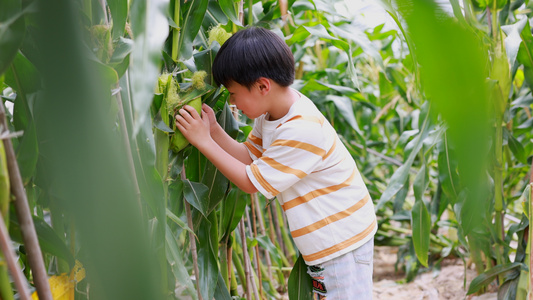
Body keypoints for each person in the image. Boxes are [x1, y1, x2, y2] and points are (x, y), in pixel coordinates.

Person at [175, 26, 377, 300]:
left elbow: (250, 181)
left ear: (262, 85)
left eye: (233, 94)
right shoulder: (271, 114)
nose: (232, 102)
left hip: (341, 242)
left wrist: (204, 142)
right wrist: (213, 130)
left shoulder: (301, 128)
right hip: (328, 241)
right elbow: (250, 157)